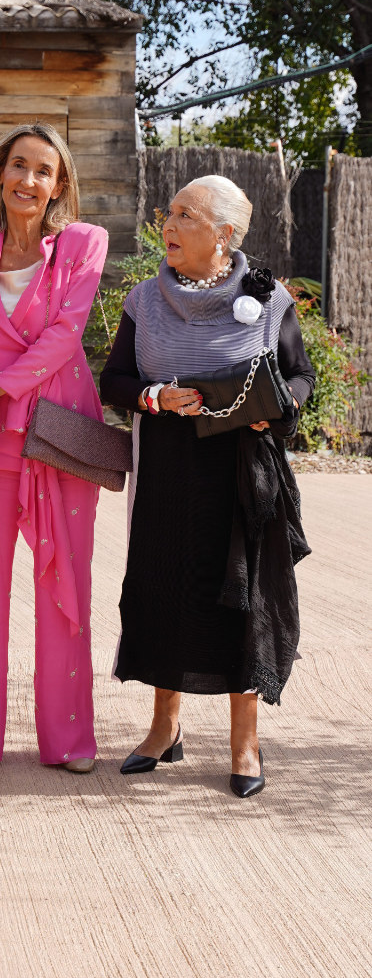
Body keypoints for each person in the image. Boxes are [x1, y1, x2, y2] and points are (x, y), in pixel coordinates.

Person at [100, 175, 314, 798]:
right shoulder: (143, 300)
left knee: (239, 600)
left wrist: (272, 405)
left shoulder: (269, 301)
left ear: (223, 235)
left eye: (185, 215)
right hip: (168, 469)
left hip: (241, 473)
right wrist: (153, 395)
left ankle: (244, 741)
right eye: (168, 213)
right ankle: (164, 727)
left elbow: (300, 381)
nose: (167, 225)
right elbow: (113, 381)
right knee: (165, 589)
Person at [0, 123, 109, 773]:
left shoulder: (82, 244)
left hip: (58, 437)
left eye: (44, 170)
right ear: (0, 174)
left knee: (64, 591)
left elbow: (63, 337)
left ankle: (68, 742)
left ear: (60, 183)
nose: (29, 180)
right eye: (19, 166)